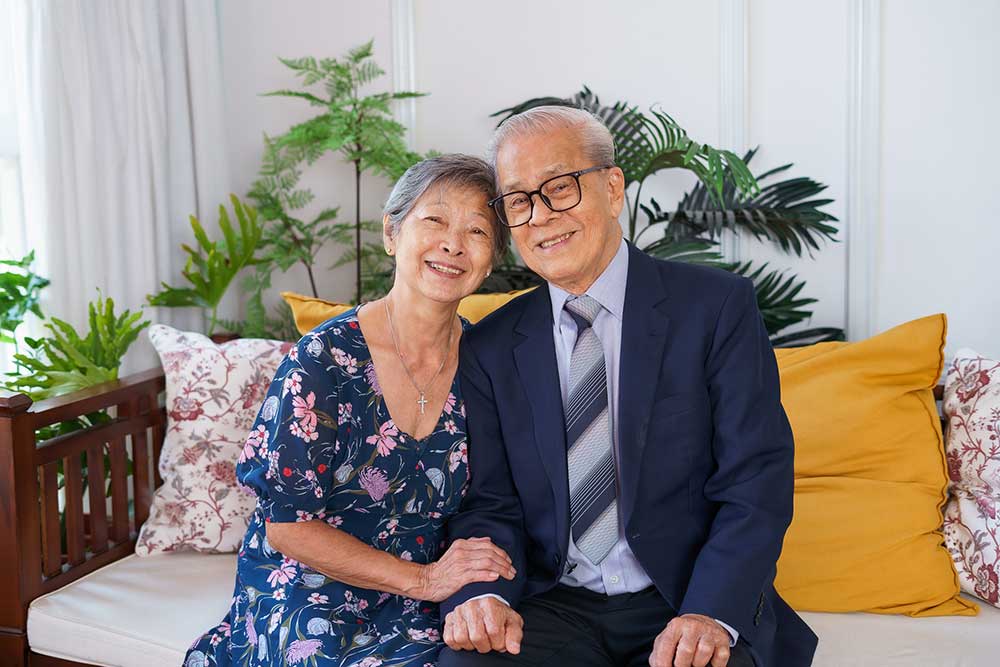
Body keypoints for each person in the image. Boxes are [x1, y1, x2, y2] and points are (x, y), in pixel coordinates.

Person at [436, 107, 818, 667]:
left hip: (684, 598)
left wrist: (710, 611)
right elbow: (490, 503)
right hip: (552, 603)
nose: (540, 217)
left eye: (560, 188)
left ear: (612, 188)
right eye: (518, 201)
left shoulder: (714, 309)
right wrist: (484, 595)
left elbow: (755, 480)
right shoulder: (491, 345)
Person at [185, 154, 514, 667]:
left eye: (477, 230)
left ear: (491, 259)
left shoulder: (487, 366)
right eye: (434, 220)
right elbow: (287, 526)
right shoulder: (323, 360)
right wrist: (425, 580)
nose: (453, 244)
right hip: (309, 589)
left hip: (427, 600)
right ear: (391, 233)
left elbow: (497, 501)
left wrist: (454, 583)